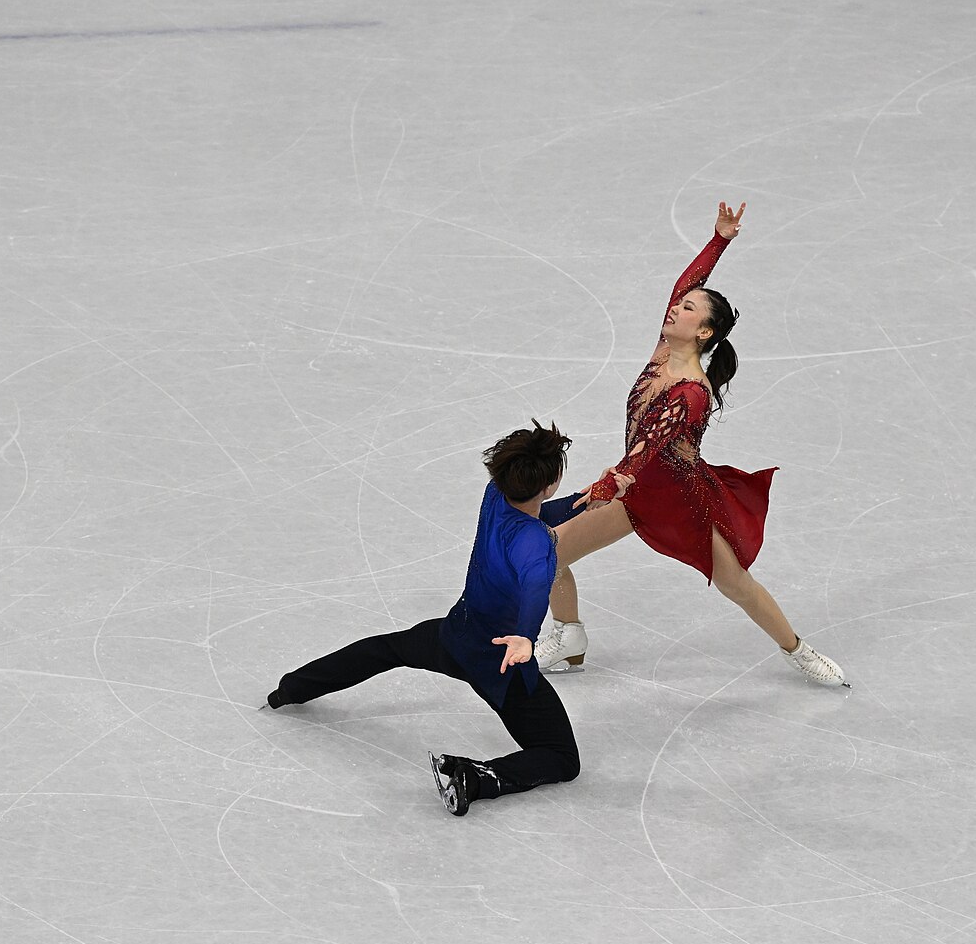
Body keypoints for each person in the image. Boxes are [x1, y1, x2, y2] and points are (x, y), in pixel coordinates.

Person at [535, 201, 848, 687]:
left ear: (703, 332)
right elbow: (686, 282)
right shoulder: (665, 349)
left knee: (736, 585)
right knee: (549, 555)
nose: (676, 308)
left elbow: (647, 451)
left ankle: (799, 651)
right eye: (679, 305)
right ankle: (569, 635)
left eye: (687, 310)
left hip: (682, 502)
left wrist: (608, 484)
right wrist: (719, 239)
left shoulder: (692, 392)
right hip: (636, 494)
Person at [260, 421, 584, 815]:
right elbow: (535, 585)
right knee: (561, 757)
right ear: (548, 483)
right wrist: (524, 637)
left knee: (388, 649)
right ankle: (473, 778)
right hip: (500, 663)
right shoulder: (533, 544)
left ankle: (291, 689)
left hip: (455, 635)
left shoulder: (496, 494)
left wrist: (583, 501)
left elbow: (535, 515)